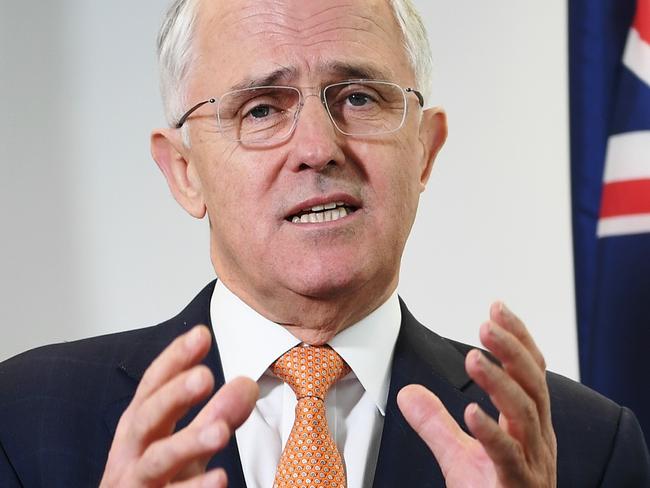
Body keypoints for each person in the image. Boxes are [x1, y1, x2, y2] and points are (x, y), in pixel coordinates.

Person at [1, 0, 649, 486]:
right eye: (261, 108)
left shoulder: (587, 445)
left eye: (360, 98)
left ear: (423, 150)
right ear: (184, 171)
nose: (317, 148)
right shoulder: (26, 420)